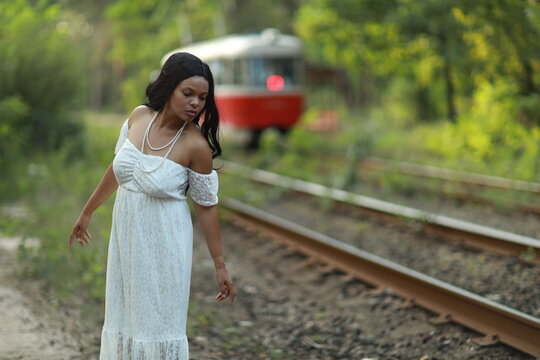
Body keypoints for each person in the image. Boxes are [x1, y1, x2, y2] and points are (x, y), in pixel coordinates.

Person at [68, 52, 235, 359]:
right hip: (127, 238)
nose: (195, 103)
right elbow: (118, 168)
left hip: (165, 245)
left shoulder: (195, 145)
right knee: (125, 316)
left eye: (202, 97)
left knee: (157, 325)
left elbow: (206, 206)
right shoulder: (138, 117)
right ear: (169, 87)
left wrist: (220, 264)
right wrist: (87, 212)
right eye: (188, 94)